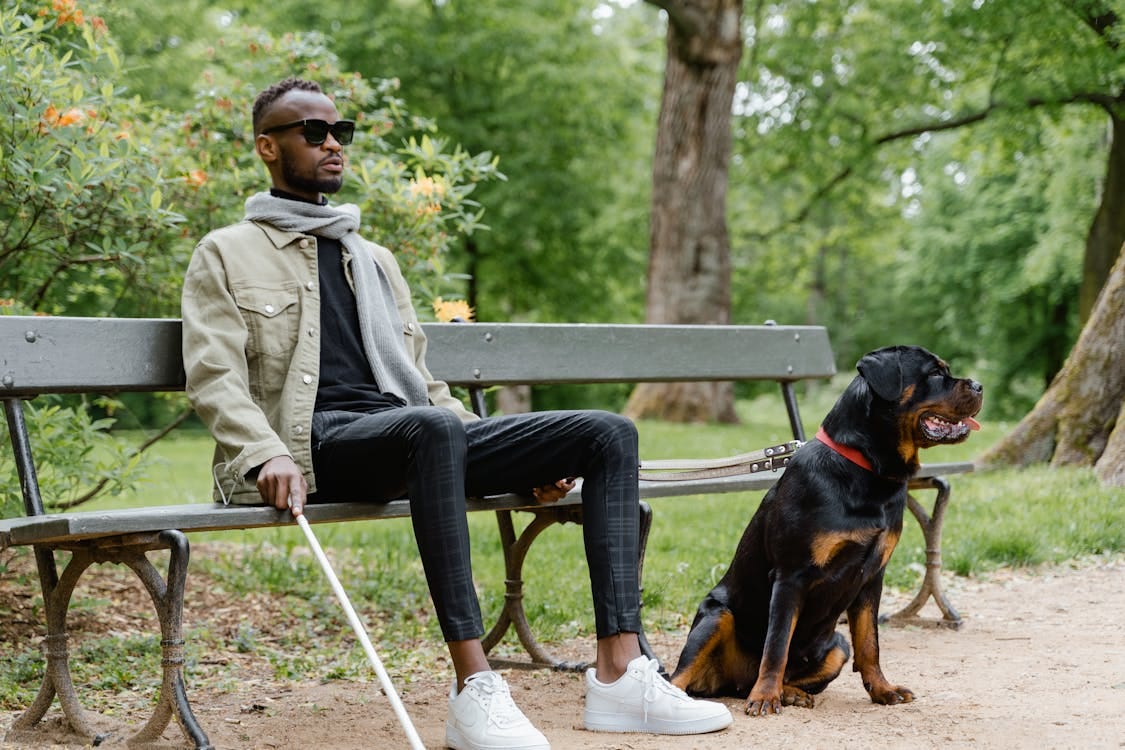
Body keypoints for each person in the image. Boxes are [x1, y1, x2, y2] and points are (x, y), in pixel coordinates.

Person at [181, 77, 732, 750]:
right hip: (311, 446)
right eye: (313, 132)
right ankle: (474, 689)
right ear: (268, 147)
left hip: (413, 432)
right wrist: (261, 451)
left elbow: (418, 379)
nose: (333, 144)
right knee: (435, 429)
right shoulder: (226, 251)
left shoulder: (371, 258)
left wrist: (509, 459)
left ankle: (618, 674)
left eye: (341, 132)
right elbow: (213, 374)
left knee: (605, 432)